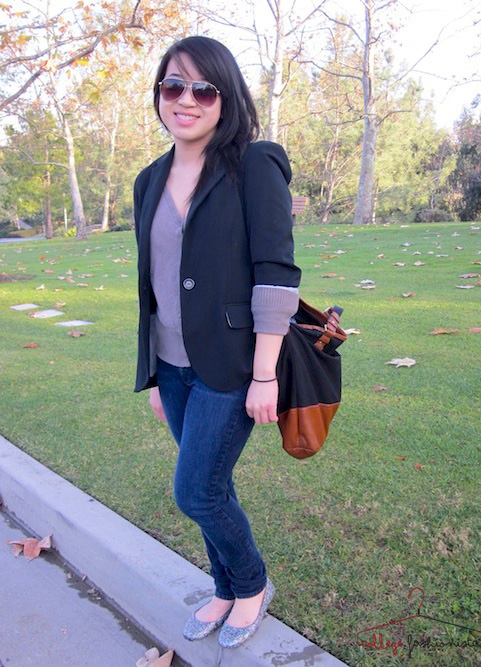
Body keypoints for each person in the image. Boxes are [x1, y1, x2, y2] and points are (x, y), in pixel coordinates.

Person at [133, 35, 301, 649]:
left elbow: (276, 275)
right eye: (174, 85)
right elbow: (152, 285)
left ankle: (252, 584)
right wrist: (155, 373)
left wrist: (265, 373)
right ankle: (224, 588)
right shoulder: (148, 180)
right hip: (173, 366)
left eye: (204, 89)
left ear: (226, 98)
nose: (187, 100)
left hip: (231, 367)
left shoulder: (254, 164)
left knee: (196, 490)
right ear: (159, 93)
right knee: (212, 486)